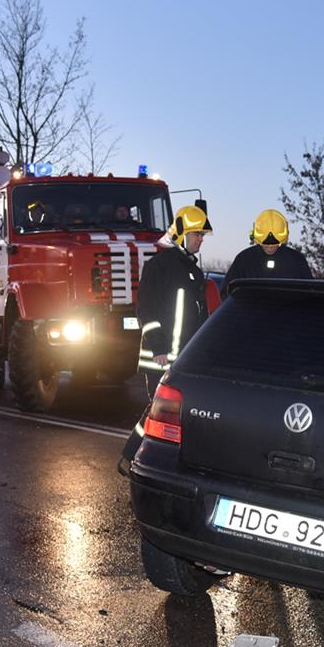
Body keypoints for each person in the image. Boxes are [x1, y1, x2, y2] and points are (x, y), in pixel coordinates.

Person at [119, 203, 213, 474]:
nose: (201, 240)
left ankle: (163, 464)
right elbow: (146, 310)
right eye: (197, 234)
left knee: (175, 414)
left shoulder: (193, 270)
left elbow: (198, 317)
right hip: (160, 356)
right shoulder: (159, 266)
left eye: (202, 235)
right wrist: (158, 347)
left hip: (183, 357)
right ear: (182, 234)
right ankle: (129, 458)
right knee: (157, 410)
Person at [220, 209, 312, 297]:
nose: (270, 247)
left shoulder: (297, 260)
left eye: (274, 244)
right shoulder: (244, 259)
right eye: (266, 244)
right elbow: (226, 293)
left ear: (284, 238)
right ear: (256, 238)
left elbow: (310, 293)